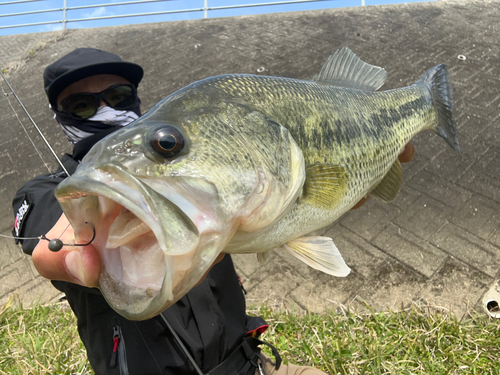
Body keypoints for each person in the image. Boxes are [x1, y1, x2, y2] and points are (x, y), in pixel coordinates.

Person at [12, 48, 415, 375]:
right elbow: (51, 237)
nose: (106, 110)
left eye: (118, 97)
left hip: (251, 366)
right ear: (61, 116)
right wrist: (73, 241)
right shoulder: (45, 191)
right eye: (82, 105)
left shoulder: (203, 165)